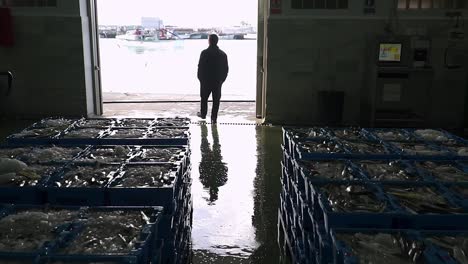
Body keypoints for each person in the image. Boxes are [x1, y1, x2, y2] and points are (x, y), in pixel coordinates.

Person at [197, 34, 229, 123]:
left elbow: (200, 67)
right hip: (217, 81)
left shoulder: (204, 53)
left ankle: (203, 114)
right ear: (217, 41)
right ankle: (214, 118)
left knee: (204, 98)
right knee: (216, 100)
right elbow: (226, 69)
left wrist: (201, 79)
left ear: (209, 41)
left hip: (206, 81)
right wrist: (222, 80)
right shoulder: (223, 54)